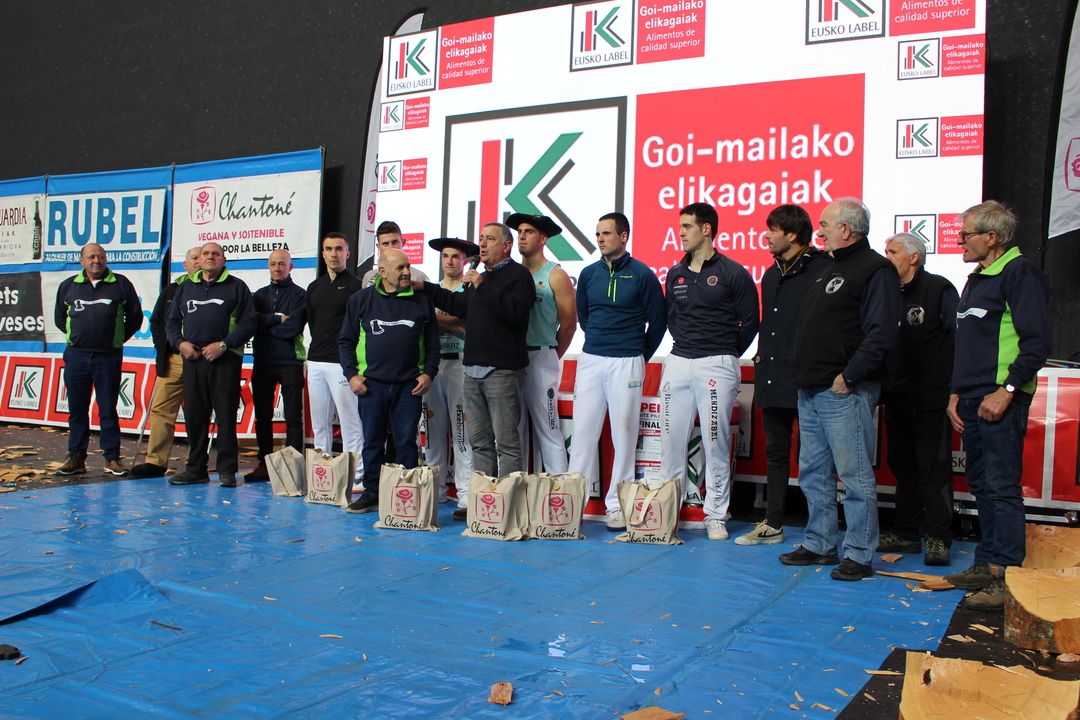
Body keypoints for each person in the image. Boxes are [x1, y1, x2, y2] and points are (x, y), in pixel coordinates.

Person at [779, 198, 900, 581]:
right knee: (813, 472)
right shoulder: (826, 268)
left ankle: (860, 554)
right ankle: (820, 543)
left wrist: (850, 376)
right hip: (811, 388)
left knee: (855, 474)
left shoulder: (876, 269)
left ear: (846, 229)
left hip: (845, 389)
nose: (819, 232)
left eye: (825, 225)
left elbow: (882, 332)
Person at [944, 201, 1051, 611]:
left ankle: (1006, 577)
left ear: (991, 237)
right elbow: (969, 346)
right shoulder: (976, 279)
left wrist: (1006, 390)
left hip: (999, 399)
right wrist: (956, 392)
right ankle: (986, 564)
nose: (959, 240)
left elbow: (1037, 343)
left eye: (965, 234)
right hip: (972, 398)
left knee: (1002, 487)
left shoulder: (1021, 274)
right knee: (982, 484)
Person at [420, 222, 535, 521]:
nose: (481, 244)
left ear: (507, 245)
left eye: (489, 239)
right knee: (480, 443)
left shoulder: (518, 275)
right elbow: (457, 305)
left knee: (506, 444)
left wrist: (482, 286)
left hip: (502, 371)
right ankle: (484, 502)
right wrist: (426, 288)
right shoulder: (479, 277)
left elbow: (515, 313)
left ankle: (509, 505)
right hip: (472, 371)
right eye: (481, 238)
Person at [659, 203, 759, 540]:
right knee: (671, 440)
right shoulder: (676, 273)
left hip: (717, 364)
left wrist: (725, 352)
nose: (680, 232)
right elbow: (671, 316)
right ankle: (667, 512)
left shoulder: (733, 272)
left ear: (706, 229)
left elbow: (751, 322)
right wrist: (688, 345)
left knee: (715, 440)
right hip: (678, 361)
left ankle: (716, 515)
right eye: (680, 226)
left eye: (687, 226)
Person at [568, 212, 666, 531]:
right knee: (583, 433)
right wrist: (602, 341)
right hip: (592, 358)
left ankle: (617, 505)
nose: (600, 239)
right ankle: (574, 504)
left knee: (624, 434)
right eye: (598, 233)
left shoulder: (643, 274)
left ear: (623, 237)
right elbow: (585, 317)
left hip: (628, 361)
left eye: (606, 233)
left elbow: (658, 322)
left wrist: (637, 354)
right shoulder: (588, 274)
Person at [736, 205, 827, 546]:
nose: (766, 236)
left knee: (817, 456)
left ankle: (821, 531)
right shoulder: (770, 273)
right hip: (773, 373)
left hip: (810, 377)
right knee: (776, 451)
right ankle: (772, 523)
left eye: (772, 230)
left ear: (792, 234)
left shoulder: (822, 268)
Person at [877, 232, 959, 566]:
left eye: (892, 252)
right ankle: (906, 532)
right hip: (896, 396)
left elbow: (960, 339)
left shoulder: (938, 289)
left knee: (934, 468)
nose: (886, 257)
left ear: (913, 257)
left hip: (931, 397)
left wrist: (954, 389)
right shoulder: (884, 292)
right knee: (903, 467)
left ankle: (938, 537)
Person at [339, 249, 439, 514]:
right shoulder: (360, 300)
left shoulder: (422, 300)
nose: (406, 272)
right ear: (382, 272)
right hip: (371, 386)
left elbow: (432, 344)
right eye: (400, 268)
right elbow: (345, 341)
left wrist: (428, 373)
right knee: (372, 442)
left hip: (409, 386)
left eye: (408, 266)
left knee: (406, 442)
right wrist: (351, 375)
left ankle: (406, 495)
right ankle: (372, 492)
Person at [165, 242, 256, 487]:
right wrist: (181, 344)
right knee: (195, 416)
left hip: (225, 359)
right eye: (206, 253)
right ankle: (196, 469)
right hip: (193, 359)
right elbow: (171, 322)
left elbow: (249, 323)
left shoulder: (237, 287)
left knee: (225, 416)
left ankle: (227, 471)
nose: (210, 257)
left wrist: (224, 345)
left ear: (223, 260)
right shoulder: (185, 287)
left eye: (216, 254)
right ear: (199, 259)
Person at [54, 243, 143, 476]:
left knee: (107, 408)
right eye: (92, 257)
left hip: (108, 357)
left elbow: (135, 318)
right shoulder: (68, 286)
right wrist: (80, 337)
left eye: (101, 257)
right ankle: (76, 457)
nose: (97, 261)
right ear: (81, 261)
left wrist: (114, 339)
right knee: (77, 409)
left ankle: (112, 458)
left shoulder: (121, 284)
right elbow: (60, 319)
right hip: (76, 356)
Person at [509, 213, 577, 474]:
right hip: (510, 359)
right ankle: (514, 488)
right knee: (511, 431)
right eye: (519, 232)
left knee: (548, 429)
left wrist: (549, 355)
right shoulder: (510, 273)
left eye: (529, 232)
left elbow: (569, 325)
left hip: (540, 357)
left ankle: (559, 490)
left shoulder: (555, 275)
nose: (522, 236)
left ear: (543, 238)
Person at [130, 245, 202, 479]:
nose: (198, 262)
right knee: (161, 410)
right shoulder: (171, 290)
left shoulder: (213, 290)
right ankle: (156, 462)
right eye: (193, 258)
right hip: (171, 360)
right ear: (185, 264)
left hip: (199, 360)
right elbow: (156, 323)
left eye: (201, 257)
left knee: (198, 412)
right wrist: (163, 346)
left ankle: (196, 463)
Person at [306, 232, 365, 484]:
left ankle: (357, 475)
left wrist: (352, 363)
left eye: (339, 249)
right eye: (329, 249)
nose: (334, 253)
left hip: (343, 364)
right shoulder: (314, 287)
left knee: (351, 423)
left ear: (347, 253)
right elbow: (313, 322)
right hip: (316, 361)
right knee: (319, 424)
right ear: (323, 253)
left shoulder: (356, 285)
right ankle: (323, 475)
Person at [424, 237, 478, 508]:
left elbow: (467, 324)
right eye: (445, 256)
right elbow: (426, 323)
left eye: (455, 256)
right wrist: (451, 322)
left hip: (461, 363)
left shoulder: (469, 289)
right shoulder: (431, 290)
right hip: (432, 365)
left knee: (462, 430)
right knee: (432, 432)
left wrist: (439, 320)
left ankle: (465, 491)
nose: (449, 261)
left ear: (465, 261)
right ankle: (435, 489)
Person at [245, 249, 308, 482]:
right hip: (262, 362)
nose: (277, 268)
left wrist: (264, 325)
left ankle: (293, 467)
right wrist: (276, 318)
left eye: (282, 264)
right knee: (263, 418)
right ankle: (264, 464)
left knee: (293, 419)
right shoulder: (258, 295)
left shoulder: (300, 295)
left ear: (290, 267)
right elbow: (251, 323)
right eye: (273, 264)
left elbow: (293, 328)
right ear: (268, 266)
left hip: (290, 362)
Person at [361, 221, 430, 287]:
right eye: (385, 244)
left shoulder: (419, 277)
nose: (391, 247)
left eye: (395, 242)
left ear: (403, 242)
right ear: (378, 247)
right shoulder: (369, 277)